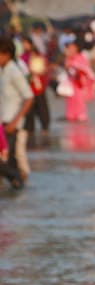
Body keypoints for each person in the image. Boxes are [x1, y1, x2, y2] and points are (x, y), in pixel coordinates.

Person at [0, 37, 32, 190]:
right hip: (2, 122)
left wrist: (15, 122)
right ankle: (16, 182)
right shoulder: (3, 70)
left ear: (6, 54)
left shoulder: (14, 72)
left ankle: (17, 178)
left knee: (5, 160)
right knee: (8, 159)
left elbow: (29, 97)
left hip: (11, 123)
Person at [63, 41, 95, 122]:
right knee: (71, 98)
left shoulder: (81, 57)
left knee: (79, 98)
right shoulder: (69, 58)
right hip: (71, 81)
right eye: (69, 48)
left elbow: (85, 69)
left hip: (80, 82)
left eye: (72, 48)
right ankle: (71, 115)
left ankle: (81, 115)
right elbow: (66, 67)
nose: (70, 49)